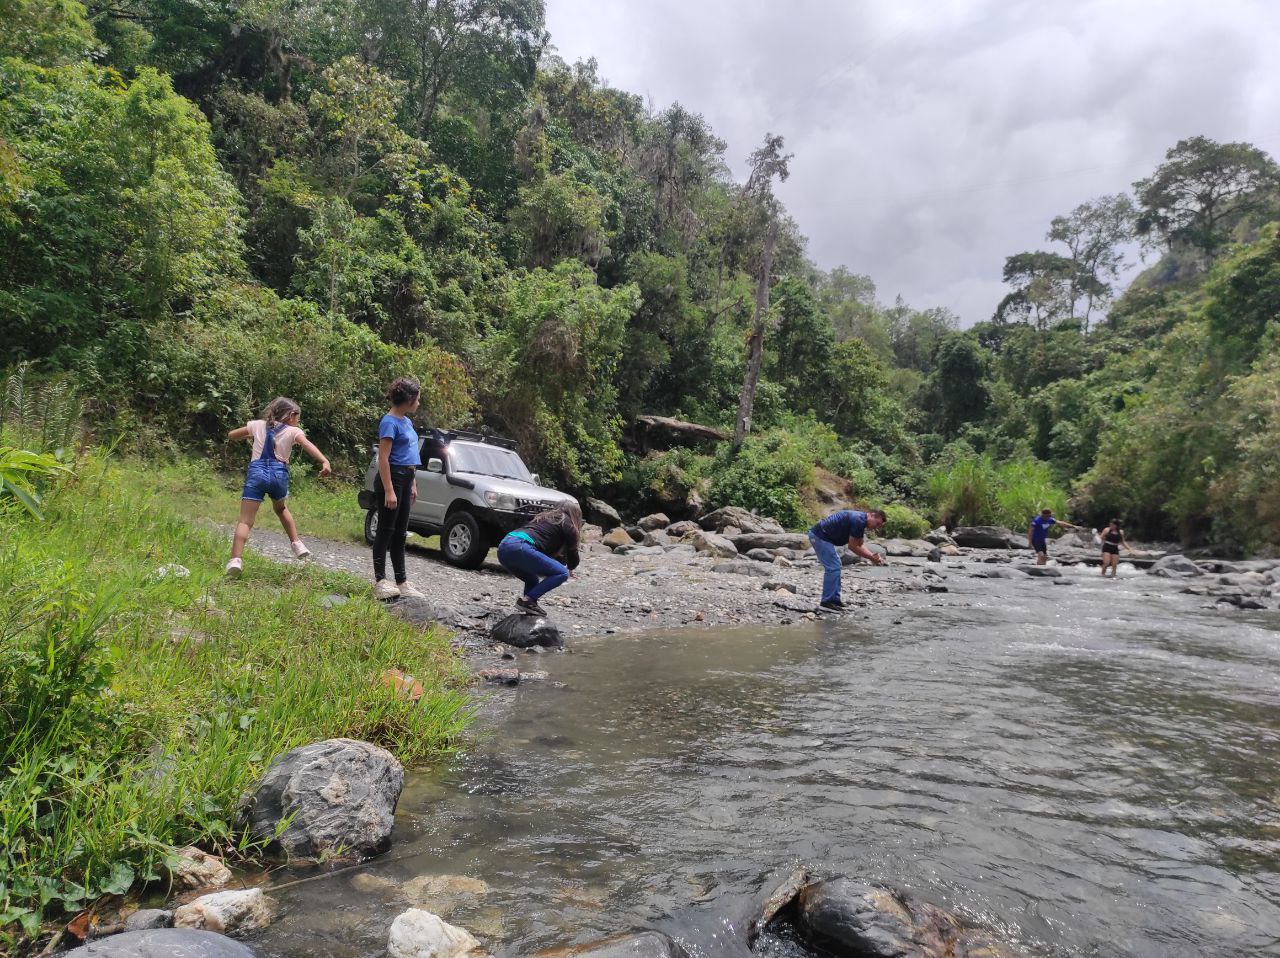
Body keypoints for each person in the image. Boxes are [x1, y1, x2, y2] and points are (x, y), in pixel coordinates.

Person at [225, 397, 331, 578]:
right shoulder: (293, 431)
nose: (298, 421)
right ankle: (296, 543)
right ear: (291, 415)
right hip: (278, 474)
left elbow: (232, 434)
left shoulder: (257, 425)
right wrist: (324, 460)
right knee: (281, 509)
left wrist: (249, 433)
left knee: (245, 521)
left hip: (256, 473)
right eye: (298, 417)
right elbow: (307, 445)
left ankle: (235, 560)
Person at [372, 377, 426, 601]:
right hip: (391, 477)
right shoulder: (389, 422)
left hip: (406, 476)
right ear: (410, 399)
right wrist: (389, 490)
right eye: (418, 399)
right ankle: (380, 581)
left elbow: (410, 456)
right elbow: (383, 459)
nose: (419, 403)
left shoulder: (407, 422)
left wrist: (412, 483)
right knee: (386, 530)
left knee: (400, 533)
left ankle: (401, 582)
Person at [497, 501, 583, 616]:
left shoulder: (543, 518)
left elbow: (545, 554)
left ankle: (530, 607)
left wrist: (563, 562)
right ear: (575, 515)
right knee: (562, 573)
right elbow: (573, 553)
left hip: (504, 547)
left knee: (532, 580)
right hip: (520, 546)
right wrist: (571, 567)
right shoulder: (568, 524)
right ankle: (528, 600)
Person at [807, 508, 887, 611]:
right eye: (877, 524)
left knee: (836, 565)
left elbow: (860, 544)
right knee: (833, 567)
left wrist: (872, 555)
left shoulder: (861, 521)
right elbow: (852, 546)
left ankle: (834, 599)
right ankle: (827, 601)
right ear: (872, 515)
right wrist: (871, 557)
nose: (877, 528)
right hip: (819, 536)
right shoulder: (859, 520)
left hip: (823, 537)